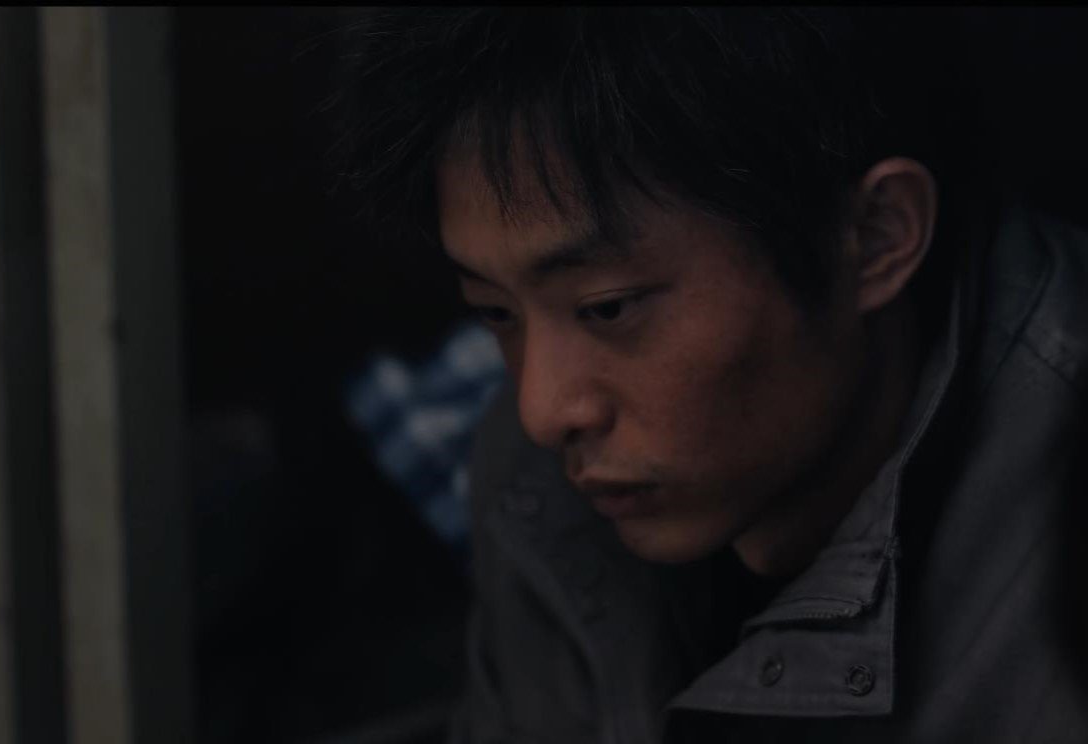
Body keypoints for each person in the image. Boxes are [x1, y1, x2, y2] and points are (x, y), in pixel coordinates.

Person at [330, 8, 1088, 743]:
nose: (542, 409)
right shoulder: (536, 482)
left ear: (875, 235)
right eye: (495, 312)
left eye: (607, 307)